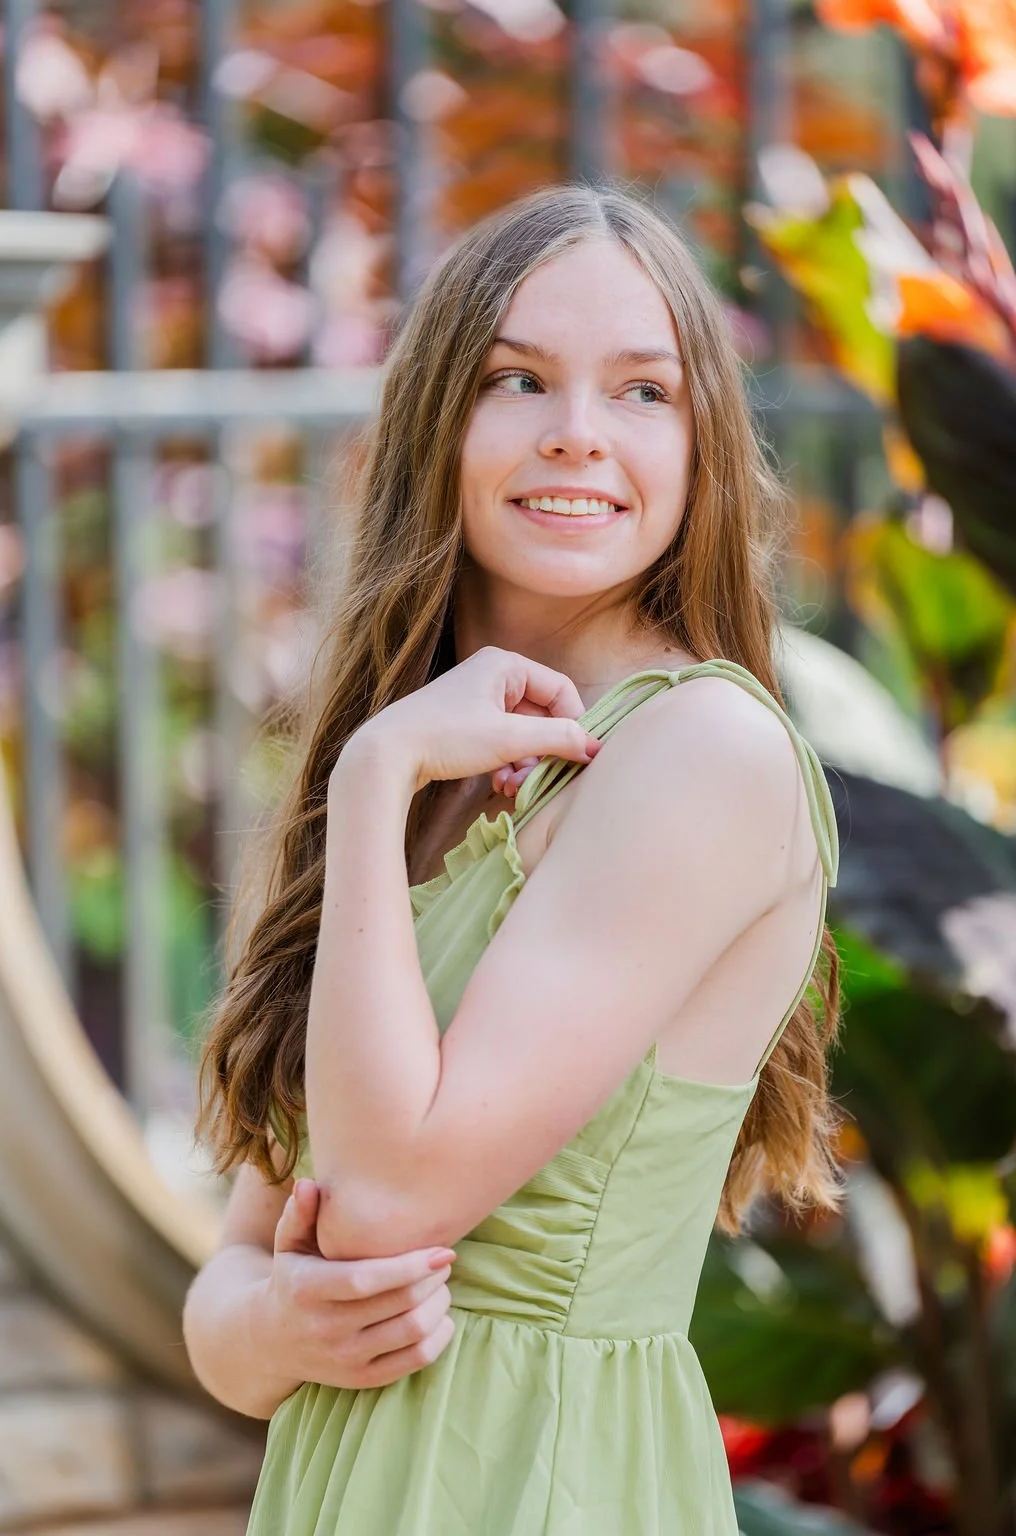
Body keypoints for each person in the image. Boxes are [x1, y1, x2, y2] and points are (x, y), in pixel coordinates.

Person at [186, 180, 842, 1534]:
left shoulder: (698, 753)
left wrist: (368, 783)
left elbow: (381, 1199)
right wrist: (277, 1325)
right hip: (345, 1489)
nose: (578, 436)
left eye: (643, 392)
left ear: (703, 440)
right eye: (519, 379)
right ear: (438, 420)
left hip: (540, 1483)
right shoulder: (432, 760)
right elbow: (234, 1284)